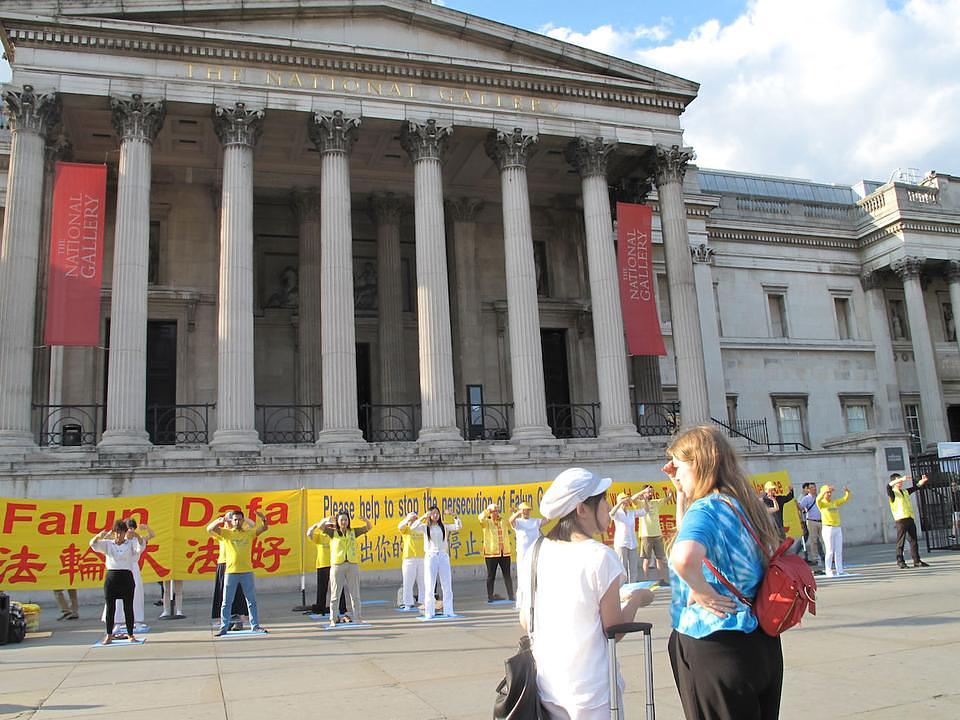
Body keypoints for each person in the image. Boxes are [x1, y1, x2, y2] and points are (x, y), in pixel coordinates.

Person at [663, 426, 783, 720]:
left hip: (713, 638)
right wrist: (681, 495)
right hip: (760, 641)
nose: (674, 475)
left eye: (678, 467)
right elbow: (689, 535)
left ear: (698, 464)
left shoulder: (705, 509)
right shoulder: (743, 504)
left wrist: (701, 590)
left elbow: (683, 555)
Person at [519, 467, 654, 719]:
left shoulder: (536, 551)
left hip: (547, 687)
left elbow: (526, 620)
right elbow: (614, 629)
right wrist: (637, 599)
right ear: (582, 509)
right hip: (592, 692)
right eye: (602, 500)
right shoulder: (600, 555)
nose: (607, 506)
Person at [208, 509, 270, 636]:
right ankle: (224, 627)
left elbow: (264, 528)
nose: (237, 521)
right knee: (226, 601)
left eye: (239, 519)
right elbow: (210, 529)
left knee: (251, 600)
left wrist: (263, 518)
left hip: (246, 571)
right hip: (230, 572)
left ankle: (255, 625)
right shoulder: (226, 533)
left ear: (242, 520)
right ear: (232, 520)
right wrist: (221, 520)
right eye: (234, 519)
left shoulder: (248, 533)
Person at [90, 520, 143, 645]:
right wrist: (100, 536)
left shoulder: (130, 544)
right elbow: (93, 544)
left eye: (122, 533)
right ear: (114, 533)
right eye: (117, 533)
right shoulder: (108, 544)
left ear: (125, 533)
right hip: (112, 577)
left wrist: (136, 535)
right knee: (110, 607)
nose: (119, 535)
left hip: (126, 577)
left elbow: (140, 547)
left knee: (128, 607)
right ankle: (109, 635)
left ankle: (130, 634)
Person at [320, 510, 373, 626]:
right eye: (341, 520)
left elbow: (368, 527)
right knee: (335, 594)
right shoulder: (333, 533)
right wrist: (326, 520)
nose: (344, 522)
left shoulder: (353, 532)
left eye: (346, 519)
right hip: (337, 565)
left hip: (352, 564)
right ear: (337, 521)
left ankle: (358, 617)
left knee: (355, 594)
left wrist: (366, 520)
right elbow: (320, 527)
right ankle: (333, 618)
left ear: (348, 521)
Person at [102, 518, 154, 634]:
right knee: (117, 600)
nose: (130, 530)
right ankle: (117, 623)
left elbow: (150, 536)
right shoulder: (120, 540)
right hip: (119, 570)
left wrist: (144, 529)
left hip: (133, 569)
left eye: (132, 528)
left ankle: (137, 621)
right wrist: (113, 531)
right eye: (128, 528)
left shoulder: (136, 540)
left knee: (135, 596)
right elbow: (105, 541)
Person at [410, 505, 462, 619]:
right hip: (431, 556)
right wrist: (424, 516)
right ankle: (429, 611)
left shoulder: (443, 526)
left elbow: (458, 526)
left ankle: (449, 610)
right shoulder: (425, 527)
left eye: (437, 513)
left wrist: (454, 515)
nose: (435, 515)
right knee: (429, 584)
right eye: (433, 513)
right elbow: (413, 527)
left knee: (447, 584)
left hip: (443, 556)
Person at [210, 514, 254, 630]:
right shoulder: (223, 534)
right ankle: (224, 619)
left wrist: (243, 519)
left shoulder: (239, 534)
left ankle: (241, 617)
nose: (230, 522)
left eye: (232, 520)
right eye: (228, 520)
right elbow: (210, 529)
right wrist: (220, 520)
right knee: (224, 595)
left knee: (239, 593)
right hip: (223, 565)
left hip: (237, 566)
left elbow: (253, 526)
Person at [306, 516, 348, 616]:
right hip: (322, 564)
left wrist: (334, 524)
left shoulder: (336, 535)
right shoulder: (320, 536)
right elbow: (309, 533)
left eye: (331, 526)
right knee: (322, 588)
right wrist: (317, 524)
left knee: (338, 587)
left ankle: (341, 607)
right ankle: (320, 607)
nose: (329, 527)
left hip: (335, 564)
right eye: (328, 526)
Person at [887, 473, 930, 568]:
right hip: (900, 520)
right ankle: (900, 561)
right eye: (898, 480)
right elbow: (888, 486)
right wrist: (901, 478)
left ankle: (917, 560)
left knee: (913, 541)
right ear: (894, 481)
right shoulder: (892, 493)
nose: (901, 482)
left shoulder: (904, 491)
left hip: (910, 518)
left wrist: (921, 482)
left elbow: (915, 488)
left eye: (901, 480)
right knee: (900, 542)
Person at [478, 503, 515, 602]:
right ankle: (490, 597)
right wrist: (487, 511)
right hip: (491, 553)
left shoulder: (503, 521)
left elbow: (512, 522)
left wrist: (514, 512)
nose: (496, 513)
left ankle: (511, 596)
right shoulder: (486, 522)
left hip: (504, 552)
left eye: (497, 510)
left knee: (507, 575)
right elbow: (480, 518)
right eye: (493, 511)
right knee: (491, 576)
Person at [509, 502, 543, 606]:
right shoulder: (518, 522)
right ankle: (521, 602)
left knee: (536, 573)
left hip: (534, 551)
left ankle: (536, 599)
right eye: (525, 510)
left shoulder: (535, 521)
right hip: (523, 552)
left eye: (528, 510)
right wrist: (518, 512)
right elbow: (510, 521)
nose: (526, 512)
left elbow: (547, 520)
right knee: (522, 575)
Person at [608, 489, 642, 583]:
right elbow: (611, 514)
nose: (626, 502)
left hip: (632, 543)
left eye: (626, 500)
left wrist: (645, 500)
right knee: (622, 567)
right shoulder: (618, 513)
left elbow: (645, 511)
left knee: (633, 567)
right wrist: (619, 503)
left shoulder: (631, 513)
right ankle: (622, 587)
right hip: (621, 543)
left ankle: (633, 586)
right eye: (624, 500)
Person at [817, 484, 851, 577]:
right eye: (827, 492)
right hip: (828, 528)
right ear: (823, 493)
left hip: (837, 528)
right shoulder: (822, 503)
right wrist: (824, 490)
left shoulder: (834, 502)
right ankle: (828, 570)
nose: (829, 494)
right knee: (830, 550)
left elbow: (844, 499)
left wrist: (847, 492)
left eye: (830, 492)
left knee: (838, 550)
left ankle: (840, 570)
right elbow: (817, 499)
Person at [636, 485, 668, 584]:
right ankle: (646, 580)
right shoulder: (640, 503)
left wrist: (670, 493)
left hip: (657, 534)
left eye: (651, 492)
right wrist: (643, 493)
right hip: (646, 535)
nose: (651, 493)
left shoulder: (656, 502)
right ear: (644, 492)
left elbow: (668, 498)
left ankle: (662, 579)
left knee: (660, 558)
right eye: (649, 492)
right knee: (646, 559)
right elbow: (631, 499)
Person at [397, 511, 424, 610]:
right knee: (408, 582)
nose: (413, 521)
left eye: (415, 519)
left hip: (422, 558)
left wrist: (419, 520)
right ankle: (408, 603)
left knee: (423, 582)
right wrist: (408, 519)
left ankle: (423, 602)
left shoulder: (422, 529)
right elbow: (399, 526)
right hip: (409, 558)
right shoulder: (406, 529)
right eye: (412, 519)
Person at [797, 482, 825, 573]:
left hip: (821, 520)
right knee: (813, 540)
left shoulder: (819, 497)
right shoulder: (806, 499)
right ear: (808, 489)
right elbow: (801, 507)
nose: (814, 489)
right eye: (812, 488)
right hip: (811, 521)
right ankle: (815, 558)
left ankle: (826, 556)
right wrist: (796, 504)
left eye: (815, 487)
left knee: (823, 539)